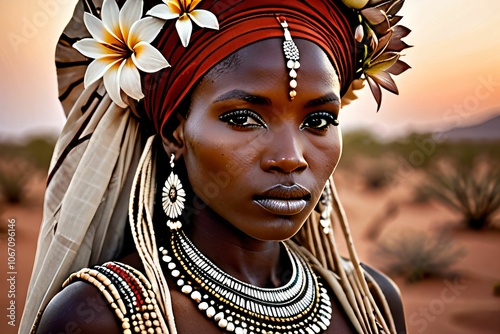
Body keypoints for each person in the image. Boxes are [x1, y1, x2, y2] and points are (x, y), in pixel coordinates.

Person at [20, 0, 411, 333]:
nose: (291, 157)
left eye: (319, 121)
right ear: (176, 131)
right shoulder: (97, 318)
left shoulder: (372, 303)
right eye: (243, 118)